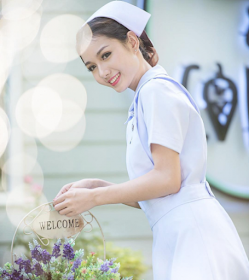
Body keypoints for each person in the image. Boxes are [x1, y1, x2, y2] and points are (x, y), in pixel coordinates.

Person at [53, 1, 249, 279]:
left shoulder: (155, 91)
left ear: (132, 41)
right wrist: (97, 186)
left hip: (193, 236)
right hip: (177, 234)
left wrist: (95, 197)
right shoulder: (146, 97)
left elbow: (167, 180)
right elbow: (157, 194)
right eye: (91, 67)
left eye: (106, 55)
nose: (102, 72)